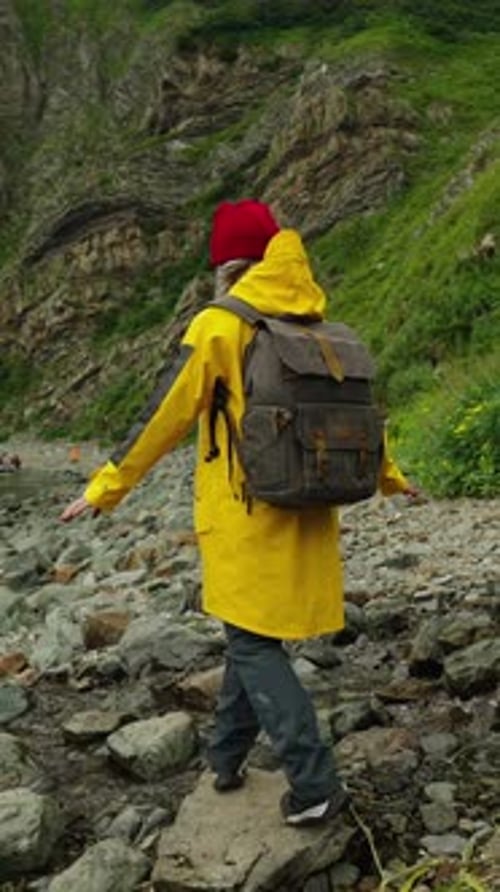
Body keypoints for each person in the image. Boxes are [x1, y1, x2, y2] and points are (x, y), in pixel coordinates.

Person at [61, 199, 416, 826]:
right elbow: (355, 416)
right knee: (248, 636)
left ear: (225, 265)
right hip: (308, 510)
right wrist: (390, 477)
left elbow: (163, 415)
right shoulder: (314, 322)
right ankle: (224, 760)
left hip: (247, 517)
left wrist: (105, 487)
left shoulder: (220, 325)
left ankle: (314, 786)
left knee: (252, 644)